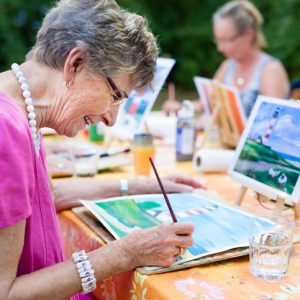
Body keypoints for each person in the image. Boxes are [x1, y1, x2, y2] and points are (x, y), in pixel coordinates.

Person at [0, 1, 195, 299]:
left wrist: (140, 186)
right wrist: (125, 253)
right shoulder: (5, 129)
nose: (111, 119)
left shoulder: (20, 108)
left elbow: (45, 198)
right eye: (115, 97)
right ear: (75, 63)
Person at [163, 0, 290, 117]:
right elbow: (207, 102)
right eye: (217, 40)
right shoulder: (228, 66)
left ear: (248, 34)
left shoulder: (270, 69)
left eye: (225, 40)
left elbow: (274, 120)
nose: (220, 48)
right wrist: (184, 107)